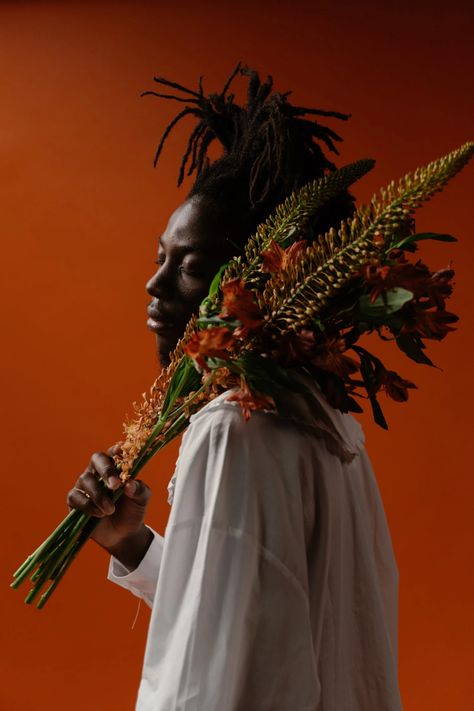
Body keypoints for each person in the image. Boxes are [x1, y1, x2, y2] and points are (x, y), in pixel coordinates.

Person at [67, 64, 403, 710]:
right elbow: (254, 618)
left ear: (262, 283)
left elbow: (227, 679)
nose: (155, 285)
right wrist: (133, 544)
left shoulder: (233, 427)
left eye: (189, 265)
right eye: (159, 257)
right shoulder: (331, 428)